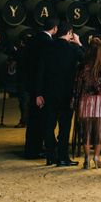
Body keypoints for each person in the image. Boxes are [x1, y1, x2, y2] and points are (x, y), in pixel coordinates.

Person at [37, 21, 83, 167]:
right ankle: (63, 157)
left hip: (49, 91)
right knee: (64, 126)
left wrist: (38, 93)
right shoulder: (73, 49)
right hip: (66, 92)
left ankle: (50, 156)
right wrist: (79, 42)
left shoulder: (47, 47)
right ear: (69, 33)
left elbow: (40, 72)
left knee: (49, 124)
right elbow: (88, 60)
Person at [75, 37, 101, 169]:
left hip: (86, 99)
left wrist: (76, 99)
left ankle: (86, 158)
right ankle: (96, 157)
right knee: (99, 130)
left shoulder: (83, 66)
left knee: (86, 130)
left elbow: (78, 85)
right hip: (100, 99)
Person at [24, 18, 58, 159]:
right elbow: (42, 69)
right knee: (41, 120)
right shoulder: (47, 42)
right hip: (41, 88)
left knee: (33, 120)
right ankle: (36, 150)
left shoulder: (34, 39)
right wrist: (40, 92)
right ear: (55, 28)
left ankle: (31, 148)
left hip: (31, 85)